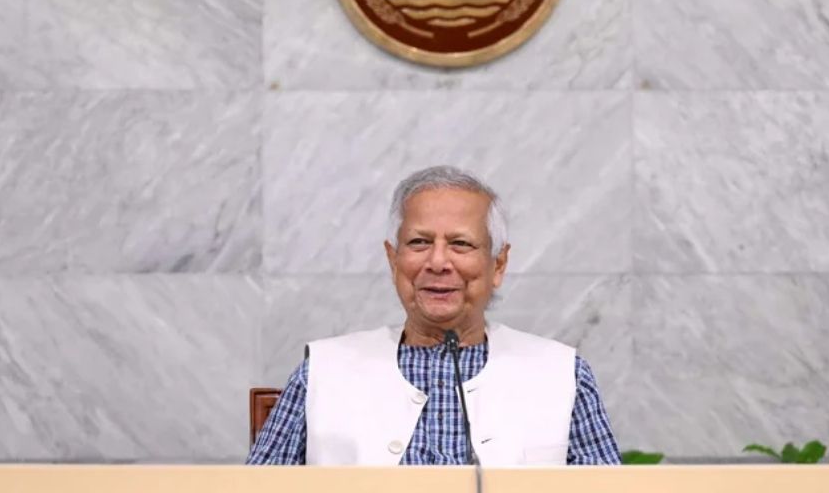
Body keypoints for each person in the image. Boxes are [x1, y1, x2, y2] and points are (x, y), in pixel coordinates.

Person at [248, 166, 621, 465]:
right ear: (394, 261)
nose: (438, 262)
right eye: (419, 242)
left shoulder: (564, 375)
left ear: (498, 264)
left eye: (460, 244)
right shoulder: (322, 372)